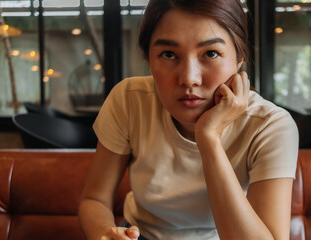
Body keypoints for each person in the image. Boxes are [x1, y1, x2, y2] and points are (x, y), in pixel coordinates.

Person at [78, 0, 299, 239]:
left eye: (210, 53)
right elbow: (94, 199)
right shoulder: (130, 101)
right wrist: (105, 234)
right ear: (149, 60)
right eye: (169, 54)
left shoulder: (269, 125)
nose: (189, 78)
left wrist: (209, 138)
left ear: (239, 58)